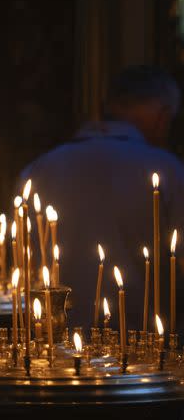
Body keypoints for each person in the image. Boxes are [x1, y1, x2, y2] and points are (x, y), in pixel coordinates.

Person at [19, 65, 184, 329]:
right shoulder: (168, 169)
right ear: (162, 116)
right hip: (147, 348)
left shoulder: (39, 168)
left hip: (54, 344)